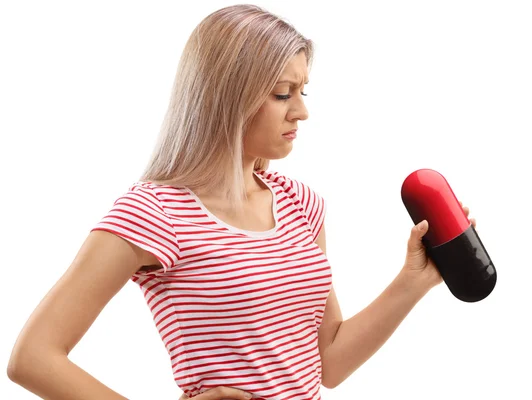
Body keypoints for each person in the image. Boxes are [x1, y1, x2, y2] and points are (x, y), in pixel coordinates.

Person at [7, 4, 476, 400]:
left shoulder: (301, 204)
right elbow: (33, 357)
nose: (302, 110)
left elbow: (328, 361)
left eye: (302, 90)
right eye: (281, 93)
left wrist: (412, 282)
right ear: (226, 96)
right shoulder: (154, 212)